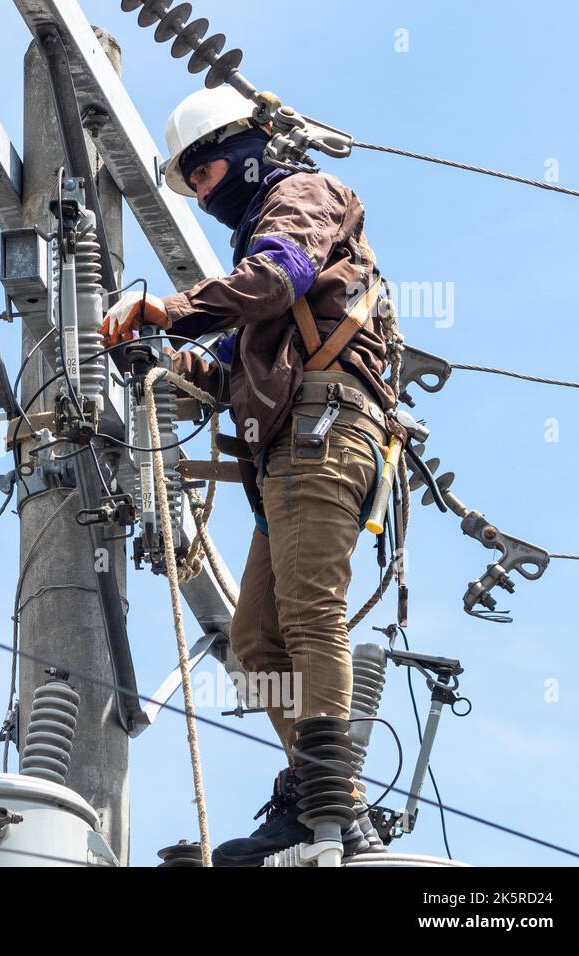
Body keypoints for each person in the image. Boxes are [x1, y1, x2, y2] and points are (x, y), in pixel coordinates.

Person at [100, 86, 399, 865]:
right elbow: (235, 359)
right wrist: (170, 361)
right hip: (285, 447)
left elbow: (279, 276)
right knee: (257, 641)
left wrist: (172, 310)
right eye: (192, 180)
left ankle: (335, 810)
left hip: (324, 427)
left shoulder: (303, 195)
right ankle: (316, 793)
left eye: (207, 169)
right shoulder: (254, 261)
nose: (203, 190)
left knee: (308, 616)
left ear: (251, 147)